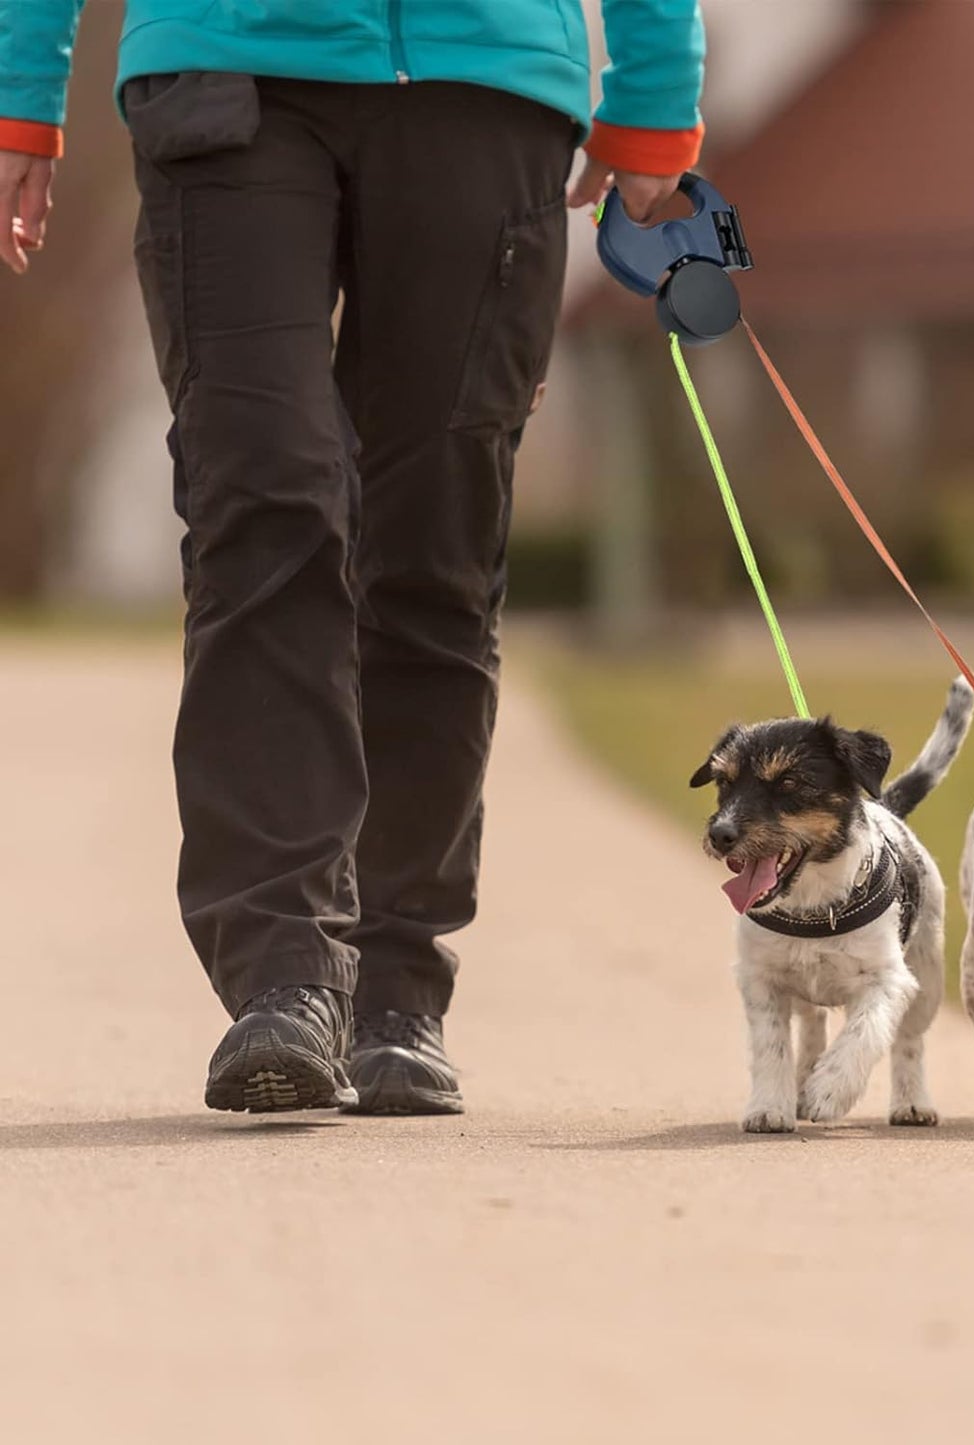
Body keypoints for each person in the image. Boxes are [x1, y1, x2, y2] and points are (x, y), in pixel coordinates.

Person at [0, 2, 705, 1115]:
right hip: (224, 66)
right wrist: (22, 94)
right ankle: (283, 972)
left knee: (438, 545)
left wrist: (657, 96)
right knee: (263, 499)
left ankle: (395, 982)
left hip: (485, 80)